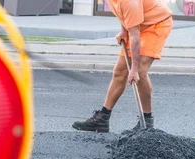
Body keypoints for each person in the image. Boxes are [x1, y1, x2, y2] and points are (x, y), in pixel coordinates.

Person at [72, 0, 173, 133]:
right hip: (137, 27)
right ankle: (102, 119)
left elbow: (135, 35)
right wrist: (124, 30)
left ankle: (147, 122)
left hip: (156, 24)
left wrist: (134, 69)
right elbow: (123, 15)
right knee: (120, 71)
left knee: (140, 72)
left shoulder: (130, 2)